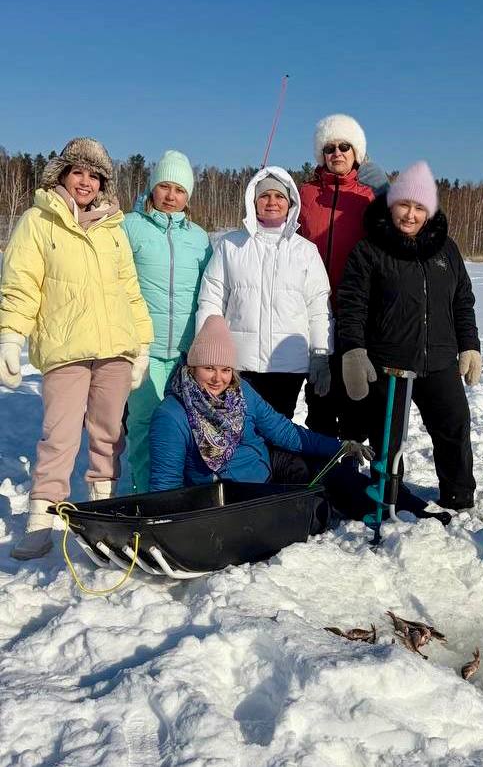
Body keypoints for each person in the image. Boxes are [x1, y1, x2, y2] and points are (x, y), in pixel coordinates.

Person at [0, 138, 153, 560]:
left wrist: (140, 345)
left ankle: (102, 513)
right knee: (60, 437)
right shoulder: (39, 220)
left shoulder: (113, 229)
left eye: (94, 175)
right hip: (65, 349)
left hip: (114, 351)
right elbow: (21, 283)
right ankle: (39, 521)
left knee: (109, 436)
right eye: (78, 172)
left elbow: (130, 291)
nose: (85, 182)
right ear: (62, 175)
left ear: (103, 183)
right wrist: (11, 335)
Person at [149, 316, 445, 522]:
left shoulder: (242, 393)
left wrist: (338, 447)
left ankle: (414, 511)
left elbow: (284, 432)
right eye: (208, 368)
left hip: (268, 467)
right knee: (305, 505)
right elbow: (166, 484)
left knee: (334, 474)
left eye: (225, 369)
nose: (218, 378)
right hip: (233, 494)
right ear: (192, 368)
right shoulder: (172, 415)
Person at [337, 161, 482, 511]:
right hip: (390, 363)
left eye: (420, 208)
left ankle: (458, 497)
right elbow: (351, 304)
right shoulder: (370, 250)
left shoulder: (446, 249)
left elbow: (462, 300)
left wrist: (470, 346)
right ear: (391, 205)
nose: (410, 215)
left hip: (440, 359)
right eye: (404, 205)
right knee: (388, 440)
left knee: (454, 427)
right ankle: (386, 499)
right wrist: (354, 350)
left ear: (430, 211)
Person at [196, 167, 331, 420]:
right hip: (238, 364)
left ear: (290, 203)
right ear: (253, 201)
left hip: (288, 366)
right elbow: (211, 301)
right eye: (264, 195)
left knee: (278, 431)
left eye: (279, 196)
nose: (272, 202)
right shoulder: (230, 245)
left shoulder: (306, 251)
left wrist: (321, 354)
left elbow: (318, 308)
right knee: (240, 430)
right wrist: (206, 352)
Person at [122, 150, 211, 493]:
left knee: (187, 426)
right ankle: (143, 495)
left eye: (180, 190)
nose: (171, 196)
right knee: (144, 425)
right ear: (152, 187)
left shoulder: (199, 238)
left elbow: (211, 292)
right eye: (165, 187)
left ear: (188, 195)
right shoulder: (130, 227)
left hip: (187, 354)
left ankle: (181, 493)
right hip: (144, 350)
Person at [298, 113, 387, 440]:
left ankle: (351, 469)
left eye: (344, 147)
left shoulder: (368, 196)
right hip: (314, 312)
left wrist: (388, 194)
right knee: (320, 398)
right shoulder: (305, 194)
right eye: (329, 147)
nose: (336, 153)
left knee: (356, 401)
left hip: (357, 314)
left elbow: (401, 231)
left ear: (357, 154)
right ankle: (324, 477)